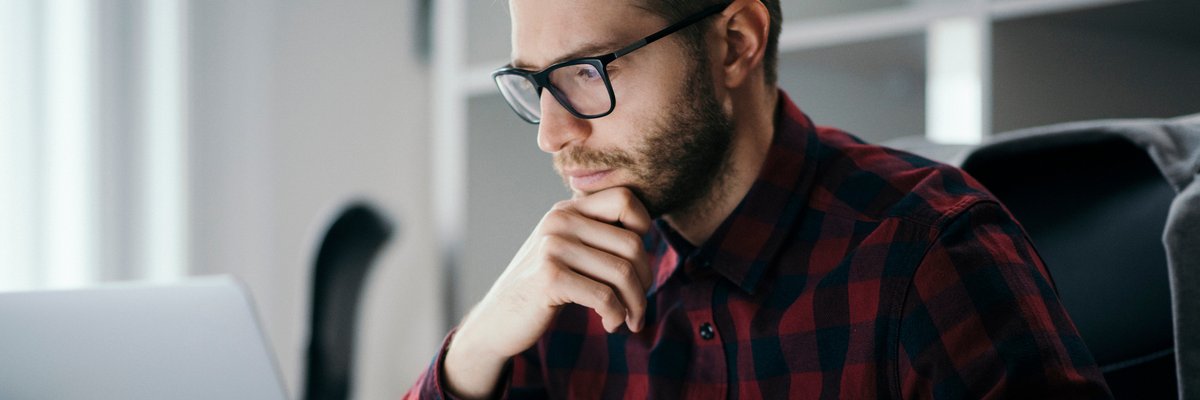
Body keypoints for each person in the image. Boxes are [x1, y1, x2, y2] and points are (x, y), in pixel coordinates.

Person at [407, 0, 1112, 398]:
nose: (554, 134)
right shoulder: (562, 293)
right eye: (534, 83)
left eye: (588, 72)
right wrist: (477, 345)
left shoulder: (930, 257)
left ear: (735, 45)